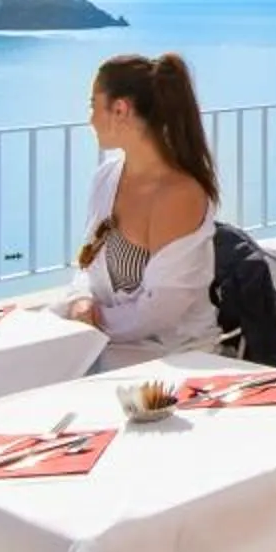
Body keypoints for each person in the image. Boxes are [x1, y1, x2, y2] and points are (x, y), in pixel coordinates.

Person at [62, 53, 223, 351]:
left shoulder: (179, 195)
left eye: (93, 105)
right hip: (110, 344)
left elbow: (160, 311)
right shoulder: (106, 178)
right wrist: (80, 303)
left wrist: (92, 326)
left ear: (120, 109)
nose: (90, 119)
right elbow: (86, 265)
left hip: (173, 356)